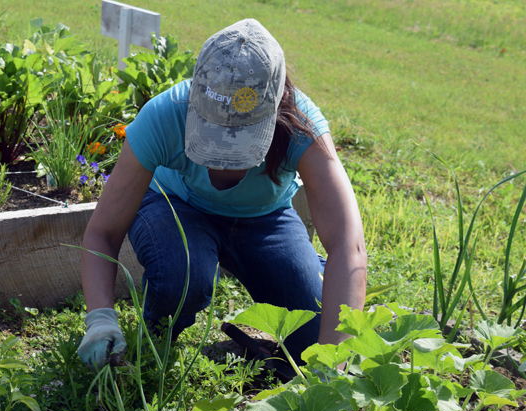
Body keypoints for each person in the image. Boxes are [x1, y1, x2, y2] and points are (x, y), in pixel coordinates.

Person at [77, 19, 367, 370]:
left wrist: (333, 364)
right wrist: (100, 318)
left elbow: (347, 245)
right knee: (182, 278)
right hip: (175, 207)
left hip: (265, 220)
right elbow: (102, 231)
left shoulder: (302, 127)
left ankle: (309, 276)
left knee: (317, 336)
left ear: (276, 107)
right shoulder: (164, 115)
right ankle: (156, 334)